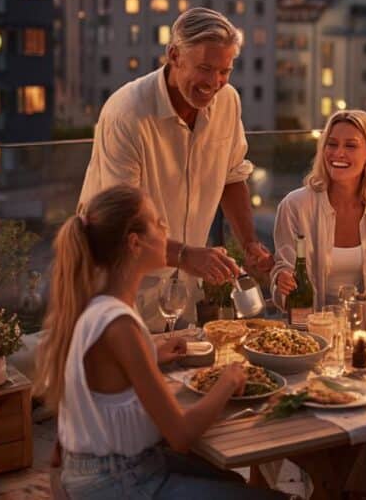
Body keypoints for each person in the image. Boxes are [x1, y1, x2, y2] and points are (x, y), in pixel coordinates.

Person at [34, 184, 285, 499]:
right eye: (157, 223)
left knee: (233, 480)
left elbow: (103, 378)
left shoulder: (95, 305)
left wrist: (151, 353)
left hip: (98, 469)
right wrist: (229, 378)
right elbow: (180, 434)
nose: (165, 228)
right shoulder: (121, 325)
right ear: (135, 243)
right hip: (121, 482)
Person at [78, 8, 274, 327]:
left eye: (224, 71)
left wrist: (250, 243)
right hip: (120, 282)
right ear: (174, 56)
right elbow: (117, 222)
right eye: (205, 68)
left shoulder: (228, 101)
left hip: (183, 287)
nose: (214, 83)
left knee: (181, 373)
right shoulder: (126, 114)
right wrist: (186, 255)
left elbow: (232, 176)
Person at [270, 109, 366, 310]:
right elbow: (283, 275)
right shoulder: (295, 205)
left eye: (351, 145)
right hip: (310, 327)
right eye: (332, 144)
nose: (338, 153)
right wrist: (282, 280)